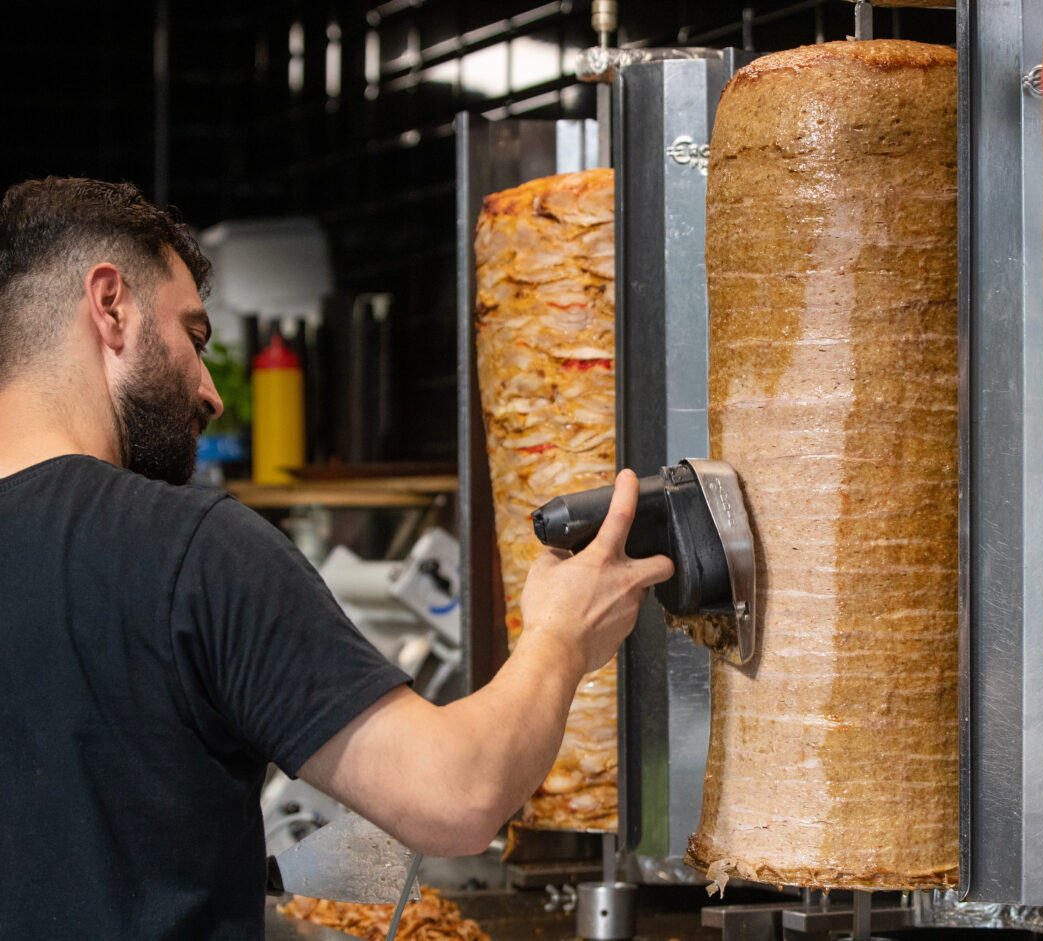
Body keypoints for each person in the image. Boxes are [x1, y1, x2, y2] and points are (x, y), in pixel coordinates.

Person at [0, 177, 673, 939]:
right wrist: (562, 636)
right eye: (193, 337)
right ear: (110, 304)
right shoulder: (190, 552)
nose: (211, 391)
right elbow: (456, 796)